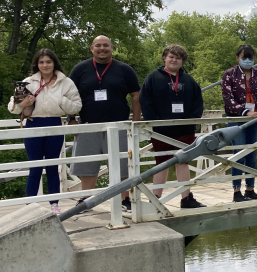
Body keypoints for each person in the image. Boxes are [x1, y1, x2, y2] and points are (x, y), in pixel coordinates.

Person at [69, 35, 141, 211]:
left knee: (123, 165)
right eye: (98, 45)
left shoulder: (124, 70)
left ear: (112, 47)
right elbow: (69, 95)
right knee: (87, 165)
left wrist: (136, 121)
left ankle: (125, 199)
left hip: (119, 125)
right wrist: (71, 119)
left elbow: (136, 95)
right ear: (91, 48)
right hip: (88, 124)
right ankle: (86, 200)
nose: (102, 48)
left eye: (106, 45)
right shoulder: (80, 69)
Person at [8, 49, 82, 214]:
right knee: (34, 167)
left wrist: (61, 101)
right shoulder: (28, 81)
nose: (45, 65)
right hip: (33, 124)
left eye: (48, 61)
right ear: (37, 64)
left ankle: (54, 204)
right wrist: (23, 103)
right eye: (41, 62)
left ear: (54, 62)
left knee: (52, 166)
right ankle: (30, 206)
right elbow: (12, 108)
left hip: (54, 123)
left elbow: (77, 106)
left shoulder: (66, 82)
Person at [140, 44, 205, 208]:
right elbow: (145, 101)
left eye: (178, 57)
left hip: (185, 129)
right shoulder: (153, 78)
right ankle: (155, 200)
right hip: (161, 129)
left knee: (183, 162)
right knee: (161, 162)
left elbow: (198, 101)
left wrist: (191, 119)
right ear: (164, 58)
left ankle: (187, 199)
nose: (174, 60)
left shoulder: (189, 80)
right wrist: (154, 120)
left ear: (182, 61)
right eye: (171, 56)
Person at [222, 44, 257, 201]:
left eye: (250, 57)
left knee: (252, 154)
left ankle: (250, 189)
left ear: (254, 58)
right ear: (237, 58)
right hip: (237, 119)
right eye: (244, 57)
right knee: (238, 154)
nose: (247, 60)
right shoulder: (229, 75)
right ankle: (236, 192)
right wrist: (245, 112)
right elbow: (228, 99)